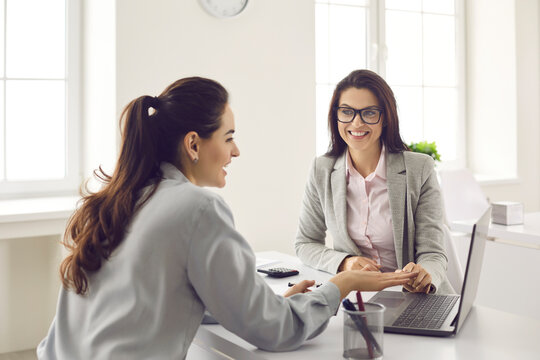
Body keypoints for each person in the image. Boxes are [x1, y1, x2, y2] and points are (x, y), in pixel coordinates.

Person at [37, 77, 417, 359]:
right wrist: (341, 284)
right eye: (229, 136)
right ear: (193, 144)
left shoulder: (110, 202)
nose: (236, 151)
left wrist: (259, 302)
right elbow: (275, 331)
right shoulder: (198, 208)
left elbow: (149, 303)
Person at [295, 69, 453, 295]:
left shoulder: (420, 169)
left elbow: (433, 253)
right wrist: (345, 263)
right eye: (347, 112)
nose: (356, 123)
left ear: (386, 117)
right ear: (335, 116)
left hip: (414, 298)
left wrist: (424, 273)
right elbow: (306, 243)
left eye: (369, 113)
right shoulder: (322, 170)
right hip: (357, 299)